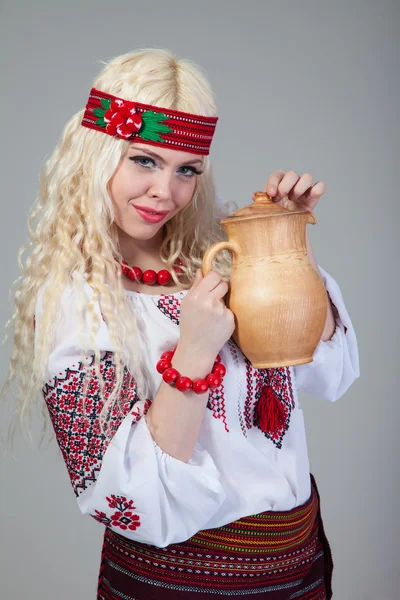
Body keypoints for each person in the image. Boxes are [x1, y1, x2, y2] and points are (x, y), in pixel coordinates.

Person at [2, 48, 359, 599]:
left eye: (185, 169)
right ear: (97, 156)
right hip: (178, 587)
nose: (164, 192)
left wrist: (287, 243)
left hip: (299, 573)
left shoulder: (223, 256)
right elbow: (130, 498)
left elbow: (329, 374)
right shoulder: (72, 304)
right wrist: (193, 350)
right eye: (144, 160)